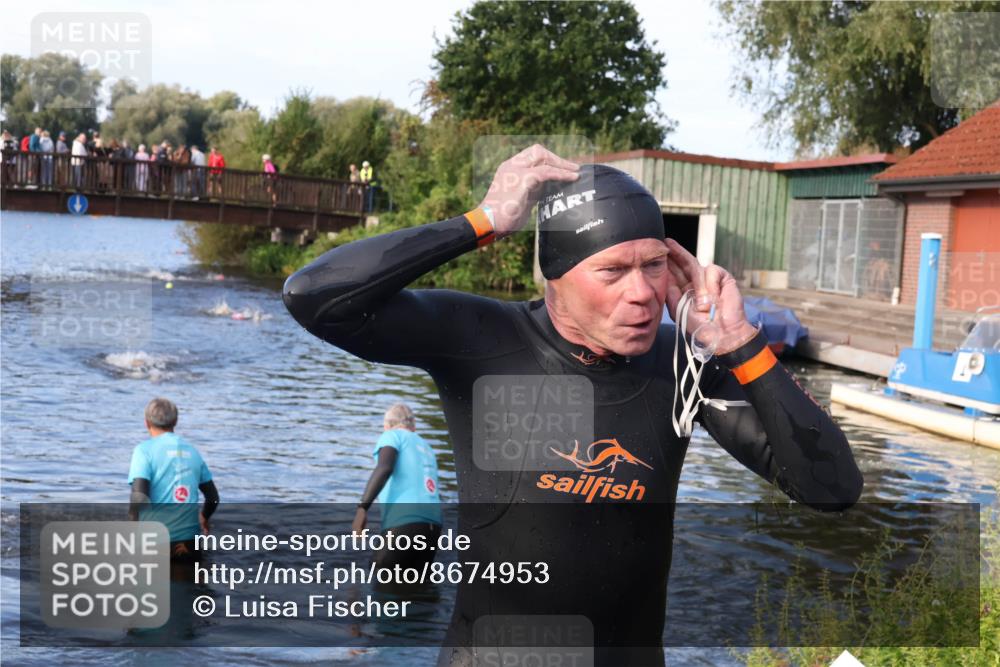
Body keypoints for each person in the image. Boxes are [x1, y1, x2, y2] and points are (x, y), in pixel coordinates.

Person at [282, 145, 864, 666]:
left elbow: (831, 488)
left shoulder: (682, 363)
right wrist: (484, 221)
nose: (642, 293)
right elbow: (313, 298)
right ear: (555, 276)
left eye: (653, 265)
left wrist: (739, 342)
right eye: (612, 271)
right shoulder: (481, 339)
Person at [353, 403, 443, 576]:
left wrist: (362, 508)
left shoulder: (391, 436)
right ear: (413, 426)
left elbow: (384, 468)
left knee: (379, 579)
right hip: (433, 527)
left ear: (387, 426)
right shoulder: (427, 447)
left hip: (404, 522)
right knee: (417, 586)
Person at [128, 398, 219, 563]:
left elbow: (139, 496)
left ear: (146, 422)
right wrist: (204, 518)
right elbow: (213, 498)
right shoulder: (193, 452)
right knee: (189, 577)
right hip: (189, 542)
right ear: (175, 421)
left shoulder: (143, 451)